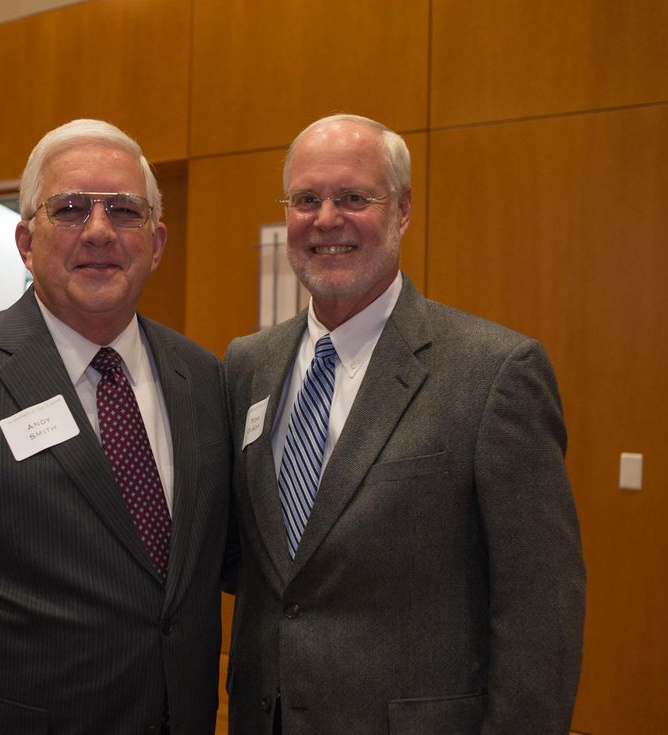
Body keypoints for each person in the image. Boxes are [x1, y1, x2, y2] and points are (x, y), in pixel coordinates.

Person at [0, 119, 230, 735]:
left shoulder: (202, 376)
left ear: (156, 243)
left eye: (125, 211)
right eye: (71, 209)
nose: (100, 230)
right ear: (26, 242)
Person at [223, 114, 585, 734]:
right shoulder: (246, 365)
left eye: (353, 197)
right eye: (306, 200)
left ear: (403, 210)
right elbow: (254, 562)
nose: (327, 219)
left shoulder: (494, 372)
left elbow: (539, 606)